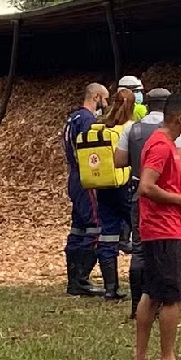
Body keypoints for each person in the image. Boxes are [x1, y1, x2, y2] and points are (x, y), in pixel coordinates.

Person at [114, 88, 181, 318]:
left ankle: (135, 308)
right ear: (178, 116)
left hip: (142, 208)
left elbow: (119, 160)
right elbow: (154, 182)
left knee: (140, 256)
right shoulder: (166, 142)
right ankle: (167, 355)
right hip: (162, 224)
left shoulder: (134, 128)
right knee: (171, 295)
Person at [132, 93, 181, 360]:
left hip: (159, 228)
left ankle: (140, 359)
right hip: (162, 229)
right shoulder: (160, 145)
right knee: (172, 296)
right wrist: (179, 199)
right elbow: (146, 186)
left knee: (151, 292)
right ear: (179, 118)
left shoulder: (168, 144)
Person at [62, 82, 109, 297]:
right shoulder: (88, 121)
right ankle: (81, 278)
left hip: (73, 176)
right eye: (105, 99)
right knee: (95, 226)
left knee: (78, 227)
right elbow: (92, 153)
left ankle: (74, 278)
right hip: (86, 178)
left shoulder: (72, 118)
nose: (106, 104)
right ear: (96, 97)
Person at [94, 89, 136, 301]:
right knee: (139, 233)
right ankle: (142, 283)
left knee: (107, 235)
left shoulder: (101, 126)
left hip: (103, 187)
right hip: (124, 187)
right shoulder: (130, 128)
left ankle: (111, 288)